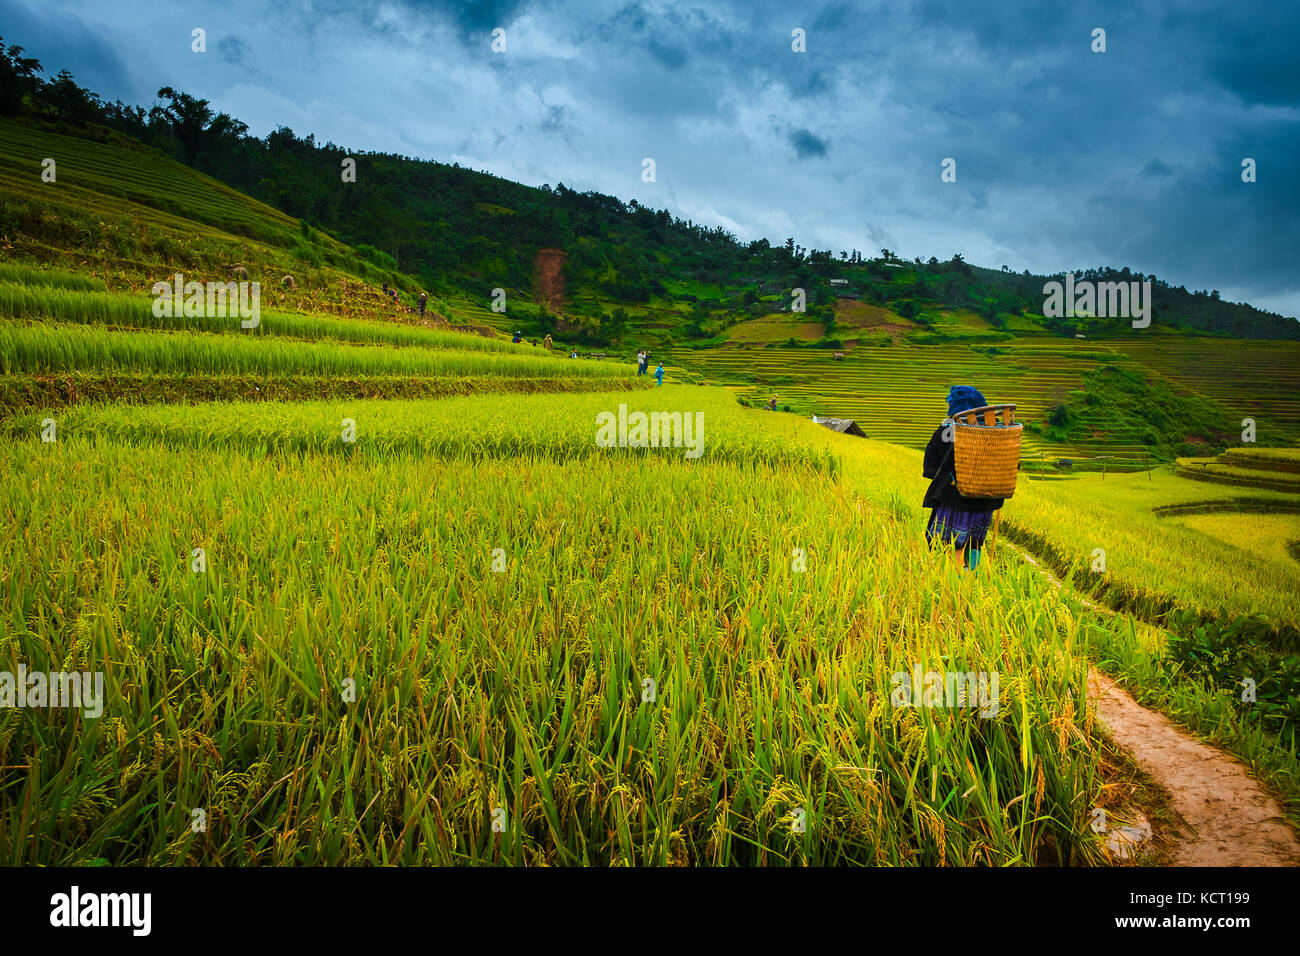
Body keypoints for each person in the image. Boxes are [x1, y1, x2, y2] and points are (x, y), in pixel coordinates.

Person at [921, 385, 1004, 571]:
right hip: (987, 499)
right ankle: (971, 578)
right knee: (974, 542)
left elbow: (932, 459)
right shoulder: (997, 427)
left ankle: (957, 584)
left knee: (954, 543)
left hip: (956, 497)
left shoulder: (949, 427)